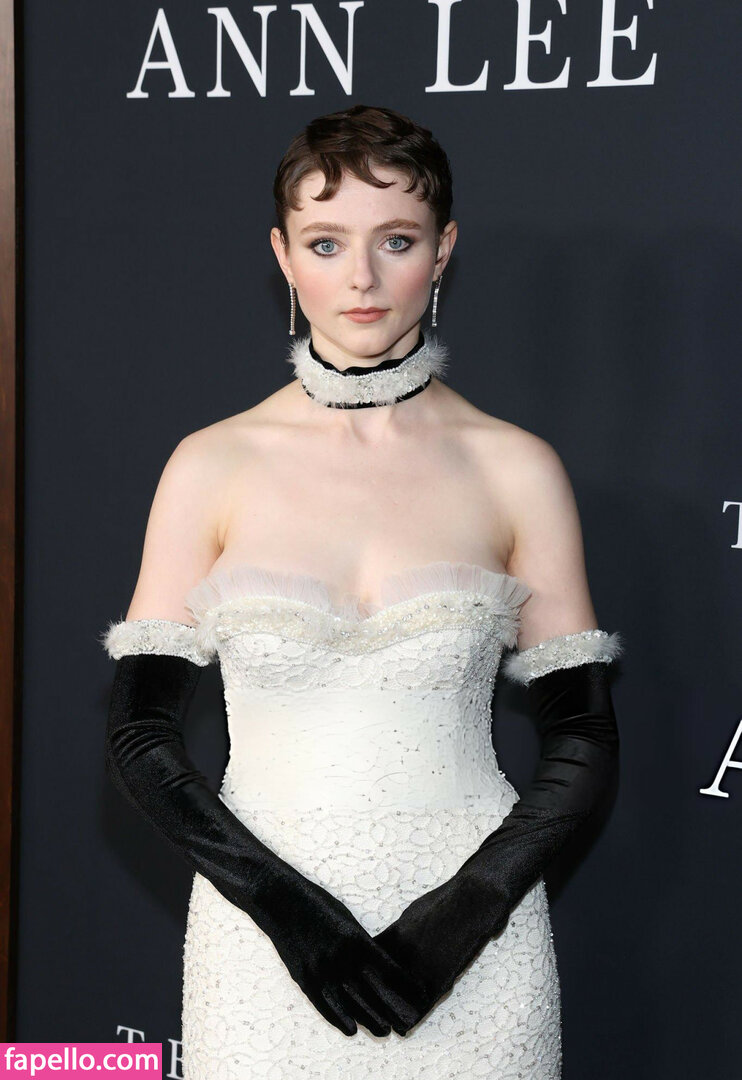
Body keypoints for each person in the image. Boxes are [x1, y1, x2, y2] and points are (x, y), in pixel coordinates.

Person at [101, 104, 623, 1079]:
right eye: (326, 242)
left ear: (443, 249)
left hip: (477, 949)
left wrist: (465, 913)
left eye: (396, 240)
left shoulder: (514, 468)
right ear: (283, 256)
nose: (361, 279)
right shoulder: (210, 465)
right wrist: (286, 911)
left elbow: (583, 736)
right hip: (262, 946)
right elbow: (141, 736)